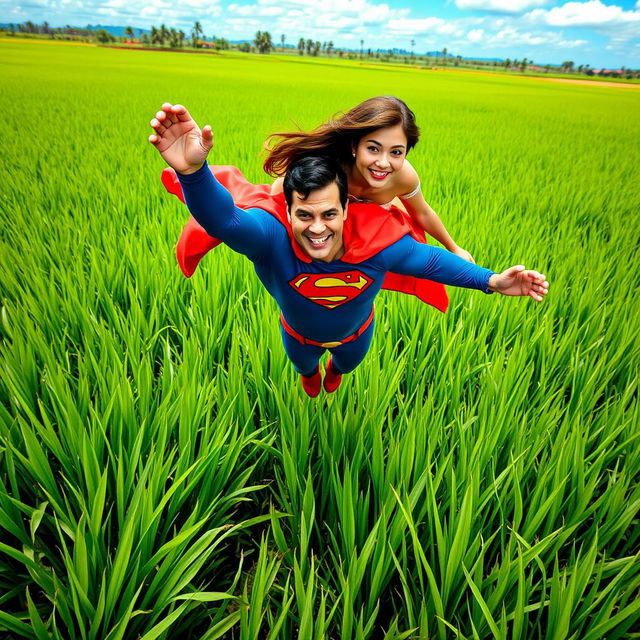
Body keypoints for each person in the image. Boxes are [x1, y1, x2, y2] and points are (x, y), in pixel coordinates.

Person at [149, 103, 549, 397]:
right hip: (298, 335)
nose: (318, 228)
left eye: (330, 215)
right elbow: (225, 221)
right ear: (288, 213)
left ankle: (336, 373)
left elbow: (428, 260)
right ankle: (309, 376)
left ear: (347, 211)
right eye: (304, 215)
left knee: (347, 363)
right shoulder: (275, 234)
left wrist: (493, 280)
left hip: (355, 334)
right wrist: (193, 172)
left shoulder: (377, 240)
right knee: (304, 365)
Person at [173, 97, 472, 312]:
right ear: (354, 146)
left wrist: (454, 247)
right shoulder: (328, 169)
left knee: (391, 260)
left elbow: (422, 211)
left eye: (397, 152)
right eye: (373, 148)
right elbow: (283, 199)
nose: (383, 163)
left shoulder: (402, 177)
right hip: (319, 214)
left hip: (365, 226)